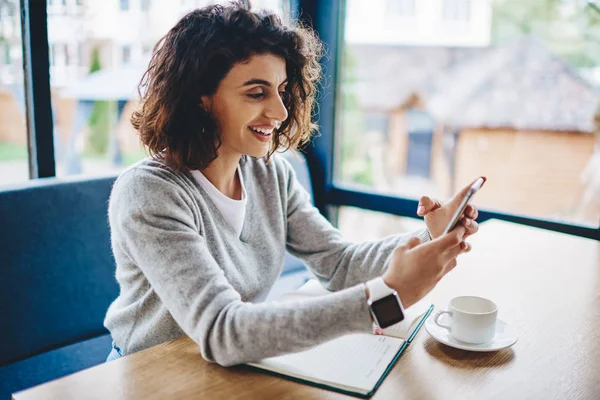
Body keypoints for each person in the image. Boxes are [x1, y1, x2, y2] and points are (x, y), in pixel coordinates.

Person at [104, 1, 481, 366]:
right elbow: (222, 330)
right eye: (256, 93)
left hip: (231, 367)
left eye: (282, 91)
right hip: (148, 375)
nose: (281, 112)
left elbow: (339, 264)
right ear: (200, 98)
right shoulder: (150, 192)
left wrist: (430, 235)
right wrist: (385, 297)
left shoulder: (271, 174)